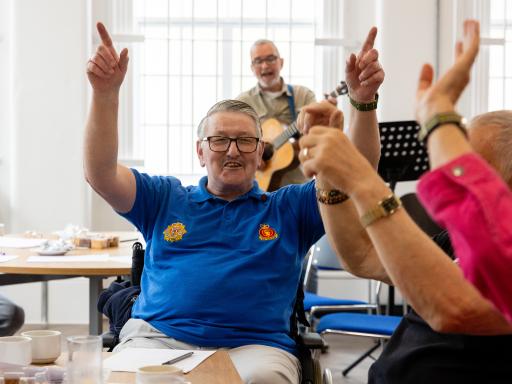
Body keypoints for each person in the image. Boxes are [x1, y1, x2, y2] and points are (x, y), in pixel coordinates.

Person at [84, 22, 382, 384]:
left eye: (244, 141)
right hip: (156, 340)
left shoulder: (289, 207)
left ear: (261, 153)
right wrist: (105, 95)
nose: (232, 151)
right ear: (200, 152)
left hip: (256, 348)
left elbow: (357, 171)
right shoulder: (163, 198)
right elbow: (100, 173)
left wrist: (362, 103)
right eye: (219, 140)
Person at [297, 20, 512, 383]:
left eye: (468, 168)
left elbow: (450, 306)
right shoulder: (463, 241)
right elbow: (362, 255)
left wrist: (361, 178)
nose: (447, 179)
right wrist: (332, 178)